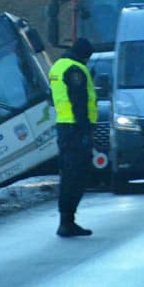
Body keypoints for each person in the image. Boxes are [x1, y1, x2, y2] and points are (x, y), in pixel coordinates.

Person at [49, 38, 98, 237]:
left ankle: (67, 220)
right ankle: (67, 222)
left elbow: (52, 97)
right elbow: (79, 103)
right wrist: (85, 132)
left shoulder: (58, 66)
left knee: (69, 174)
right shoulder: (75, 69)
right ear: (84, 55)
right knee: (75, 176)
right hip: (75, 129)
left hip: (64, 127)